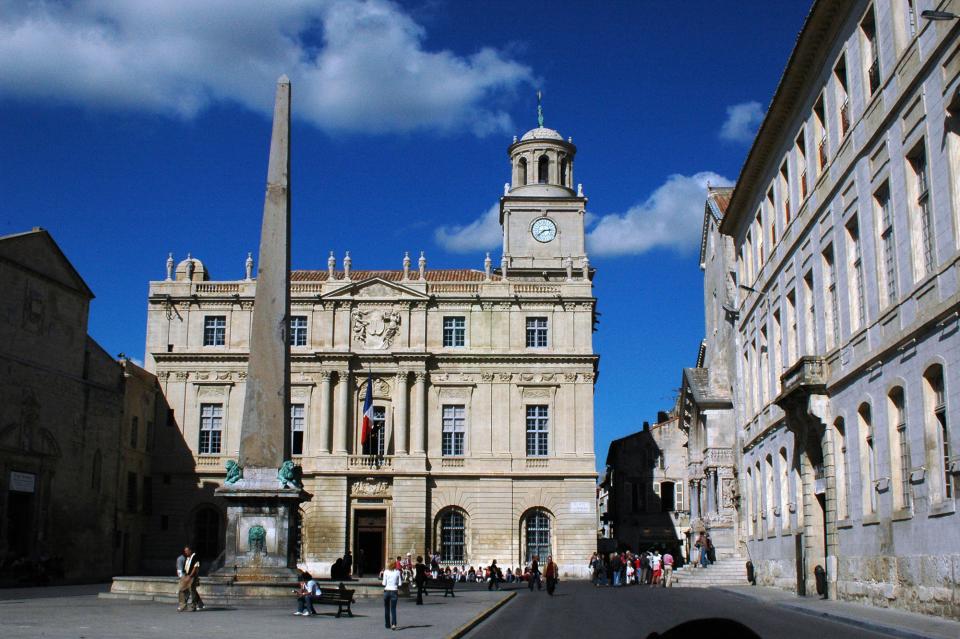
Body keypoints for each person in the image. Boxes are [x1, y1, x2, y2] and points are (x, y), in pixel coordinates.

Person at [177, 546, 204, 612]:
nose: (185, 552)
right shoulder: (187, 557)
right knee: (181, 590)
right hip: (186, 575)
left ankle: (193, 606)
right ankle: (182, 605)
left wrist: (190, 576)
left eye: (187, 551)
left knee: (192, 591)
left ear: (190, 550)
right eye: (185, 551)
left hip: (191, 576)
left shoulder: (195, 557)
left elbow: (195, 567)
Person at [382, 559, 402, 630]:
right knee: (393, 608)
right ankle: (394, 624)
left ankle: (387, 624)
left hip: (387, 591)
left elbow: (383, 583)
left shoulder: (386, 572)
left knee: (386, 608)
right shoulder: (398, 572)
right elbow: (400, 583)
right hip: (394, 591)